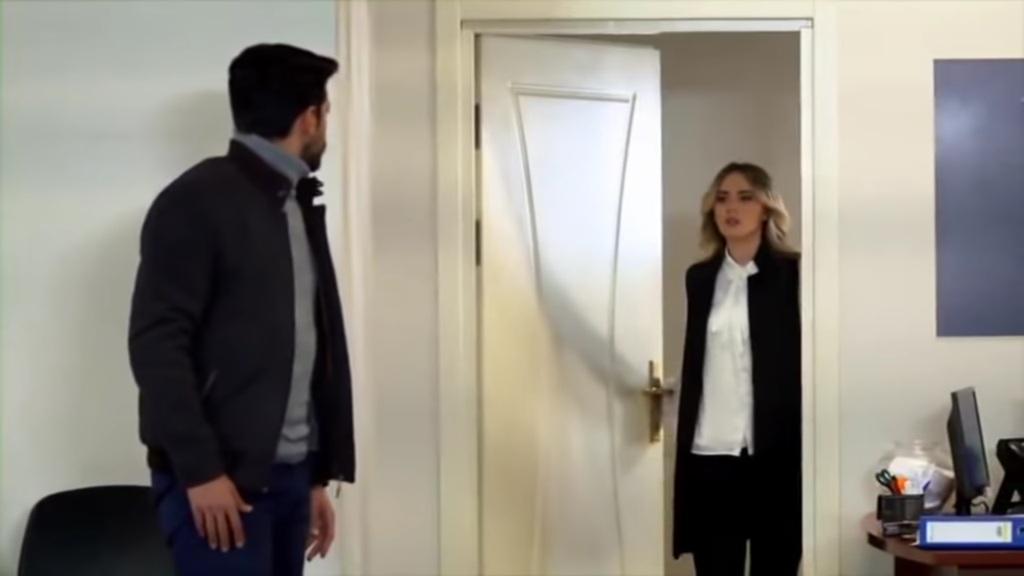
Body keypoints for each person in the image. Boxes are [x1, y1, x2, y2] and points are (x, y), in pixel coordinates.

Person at [128, 43, 354, 576]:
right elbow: (157, 343)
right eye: (325, 113)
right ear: (309, 117)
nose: (326, 128)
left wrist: (315, 477)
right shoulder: (196, 200)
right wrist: (200, 471)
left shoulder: (297, 202)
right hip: (220, 485)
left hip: (291, 479)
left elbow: (306, 344)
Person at [672, 162, 801, 575]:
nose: (732, 208)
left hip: (774, 454)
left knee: (776, 563)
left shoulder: (793, 275)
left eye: (746, 197)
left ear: (766, 208)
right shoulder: (700, 278)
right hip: (711, 451)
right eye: (722, 198)